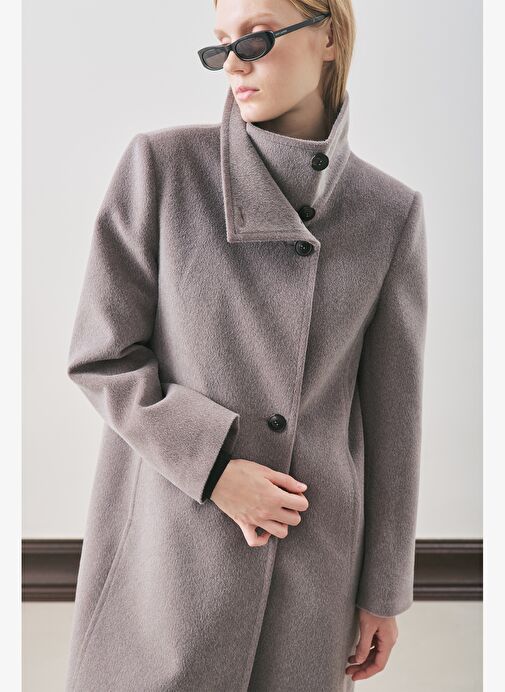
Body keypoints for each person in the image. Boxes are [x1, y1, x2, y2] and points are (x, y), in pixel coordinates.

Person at [65, 1, 428, 690]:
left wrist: (383, 590)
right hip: (170, 555)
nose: (234, 63)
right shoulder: (163, 169)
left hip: (313, 566)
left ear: (328, 35)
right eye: (220, 45)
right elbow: (101, 354)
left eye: (256, 39)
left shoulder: (388, 211)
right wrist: (216, 469)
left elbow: (393, 419)